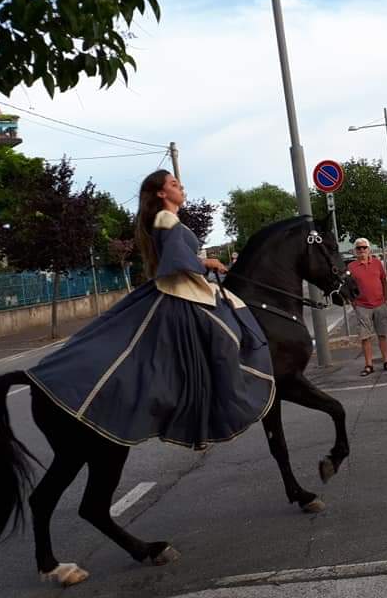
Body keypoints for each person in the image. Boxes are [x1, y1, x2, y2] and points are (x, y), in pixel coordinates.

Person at [26, 170, 275, 449]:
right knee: (223, 338)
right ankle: (213, 407)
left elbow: (178, 254)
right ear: (161, 193)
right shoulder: (165, 218)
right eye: (173, 184)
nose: (180, 187)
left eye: (178, 183)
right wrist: (206, 263)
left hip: (189, 290)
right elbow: (176, 256)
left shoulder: (170, 218)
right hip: (180, 293)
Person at [348, 237, 387, 376]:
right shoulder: (351, 267)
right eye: (359, 248)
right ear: (355, 251)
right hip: (362, 306)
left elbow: (384, 281)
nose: (362, 250)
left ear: (369, 249)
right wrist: (354, 303)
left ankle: (386, 361)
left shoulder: (377, 263)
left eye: (364, 247)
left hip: (379, 304)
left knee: (382, 334)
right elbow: (348, 287)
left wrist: (386, 299)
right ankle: (369, 365)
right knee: (365, 337)